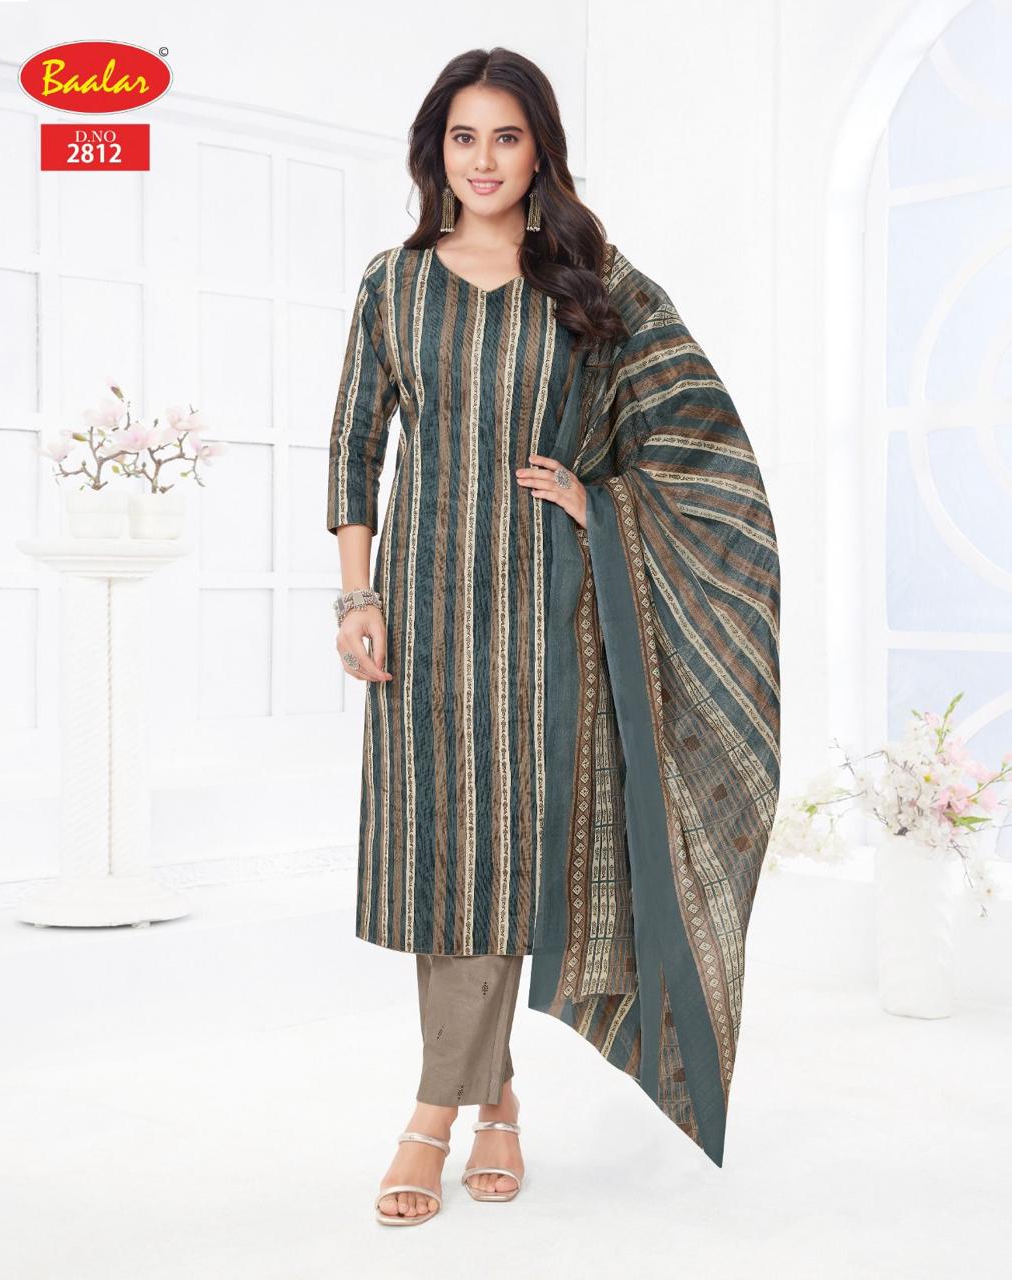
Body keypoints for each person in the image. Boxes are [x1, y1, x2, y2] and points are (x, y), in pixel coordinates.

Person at [327, 48, 782, 1228]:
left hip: (546, 606)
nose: (482, 161)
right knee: (442, 856)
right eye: (462, 137)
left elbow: (695, 431)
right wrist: (355, 596)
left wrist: (602, 499)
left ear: (540, 152)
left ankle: (429, 1113)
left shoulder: (589, 284)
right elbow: (354, 446)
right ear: (435, 151)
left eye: (506, 137)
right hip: (421, 608)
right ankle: (497, 1100)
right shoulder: (391, 283)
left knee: (506, 852)